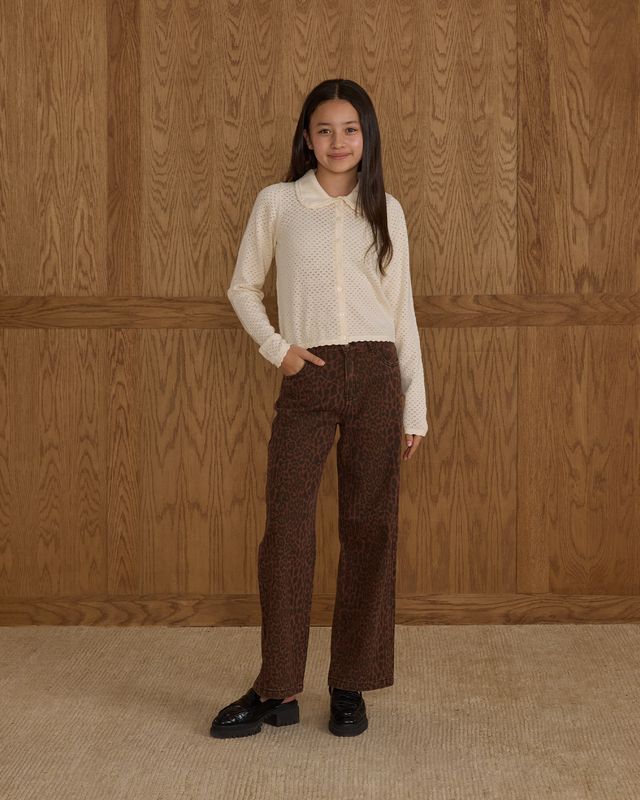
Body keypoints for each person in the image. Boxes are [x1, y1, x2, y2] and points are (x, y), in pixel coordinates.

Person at [211, 78, 428, 740]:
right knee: (288, 535)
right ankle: (276, 687)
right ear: (306, 137)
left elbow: (403, 312)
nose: (338, 142)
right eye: (325, 130)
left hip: (377, 379)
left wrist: (414, 407)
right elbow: (243, 286)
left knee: (369, 531)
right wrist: (278, 348)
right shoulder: (279, 203)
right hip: (308, 377)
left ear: (367, 138)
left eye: (351, 129)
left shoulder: (384, 209)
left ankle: (350, 685)